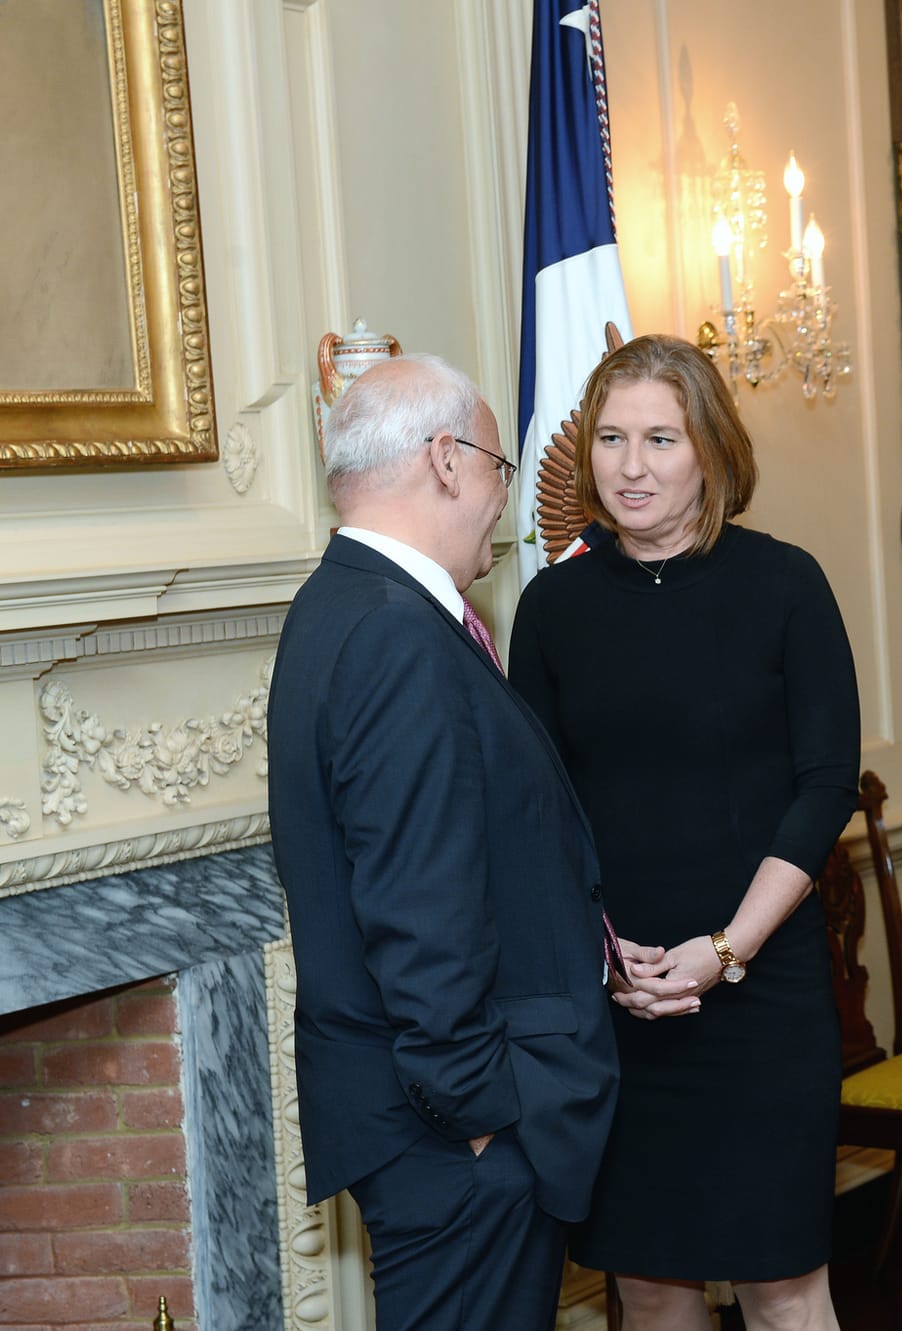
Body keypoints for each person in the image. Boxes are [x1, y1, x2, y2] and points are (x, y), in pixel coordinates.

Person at [509, 334, 859, 1331]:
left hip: (762, 995)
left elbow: (824, 785)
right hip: (620, 1002)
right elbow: (537, 809)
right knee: (650, 1285)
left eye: (660, 438)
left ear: (709, 448)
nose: (631, 465)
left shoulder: (785, 583)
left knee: (781, 1285)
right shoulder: (552, 606)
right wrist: (605, 956)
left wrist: (727, 948)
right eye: (611, 438)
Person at [267, 354, 622, 1331]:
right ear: (446, 459)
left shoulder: (337, 604)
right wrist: (481, 1119)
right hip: (453, 1141)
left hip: (424, 1126)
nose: (504, 499)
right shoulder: (395, 633)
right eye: (501, 469)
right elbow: (420, 912)